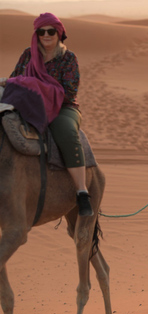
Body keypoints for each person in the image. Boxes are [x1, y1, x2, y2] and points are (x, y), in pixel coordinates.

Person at [0, 13, 93, 216]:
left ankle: (81, 191)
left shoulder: (68, 58)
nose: (46, 35)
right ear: (37, 34)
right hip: (28, 105)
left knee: (66, 133)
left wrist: (34, 85)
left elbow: (69, 91)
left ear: (58, 33)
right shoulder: (28, 55)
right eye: (41, 31)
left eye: (51, 31)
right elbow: (16, 78)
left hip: (63, 108)